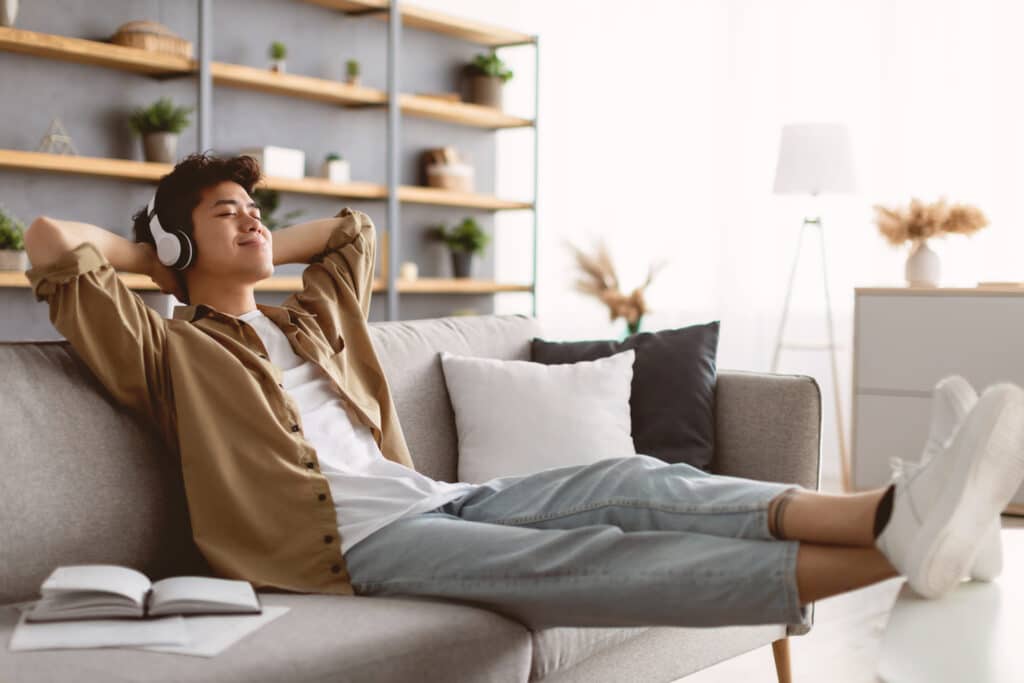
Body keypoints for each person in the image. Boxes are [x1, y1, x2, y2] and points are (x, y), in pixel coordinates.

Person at [24, 153, 1024, 632]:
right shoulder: (168, 350)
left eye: (255, 209)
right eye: (227, 213)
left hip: (430, 500)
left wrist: (242, 233)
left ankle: (902, 512)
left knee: (639, 478)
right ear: (176, 242)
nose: (252, 223)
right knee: (587, 557)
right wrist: (163, 253)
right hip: (347, 549)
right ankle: (905, 546)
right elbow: (49, 243)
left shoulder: (306, 324)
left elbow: (348, 234)